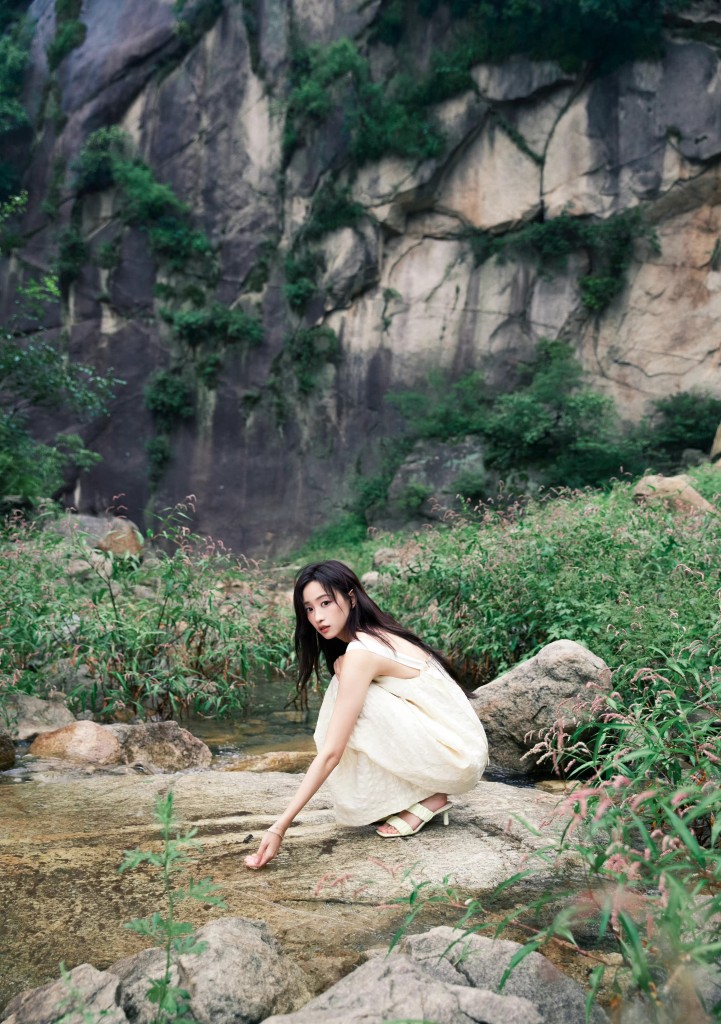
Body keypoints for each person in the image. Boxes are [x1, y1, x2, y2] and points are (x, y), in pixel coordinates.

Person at [244, 559, 488, 869]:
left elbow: (332, 752)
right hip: (458, 748)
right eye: (308, 609)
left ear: (351, 597)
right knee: (344, 686)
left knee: (344, 699)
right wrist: (340, 666)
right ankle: (414, 794)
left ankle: (432, 796)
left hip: (457, 758)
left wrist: (279, 827)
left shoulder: (362, 650)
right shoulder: (373, 636)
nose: (317, 617)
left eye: (326, 602)